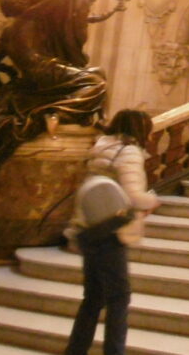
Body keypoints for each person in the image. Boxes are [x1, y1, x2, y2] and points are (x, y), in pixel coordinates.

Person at [64, 109, 161, 355]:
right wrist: (151, 200)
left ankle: (76, 350)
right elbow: (132, 195)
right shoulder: (129, 152)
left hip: (89, 229)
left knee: (93, 298)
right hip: (110, 232)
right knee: (119, 298)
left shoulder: (100, 148)